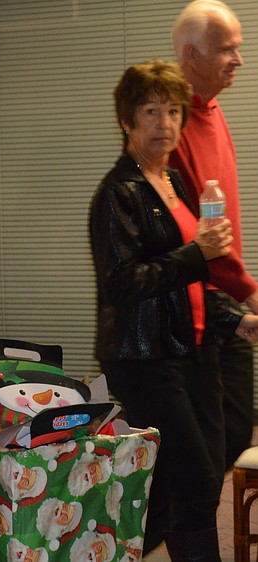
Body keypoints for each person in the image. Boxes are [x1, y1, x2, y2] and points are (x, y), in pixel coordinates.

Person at [88, 60, 258, 561]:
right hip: (146, 357)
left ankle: (119, 546)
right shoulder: (118, 193)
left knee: (189, 478)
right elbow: (123, 283)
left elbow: (190, 280)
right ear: (127, 120)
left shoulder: (174, 183)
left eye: (173, 112)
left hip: (194, 349)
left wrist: (236, 319)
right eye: (151, 111)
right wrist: (196, 253)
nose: (164, 123)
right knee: (196, 481)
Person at [169, 0, 257, 470]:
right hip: (196, 307)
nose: (238, 60)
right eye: (227, 50)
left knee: (236, 431)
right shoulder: (172, 127)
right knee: (205, 444)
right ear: (191, 55)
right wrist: (250, 291)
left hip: (228, 299)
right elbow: (194, 233)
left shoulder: (214, 111)